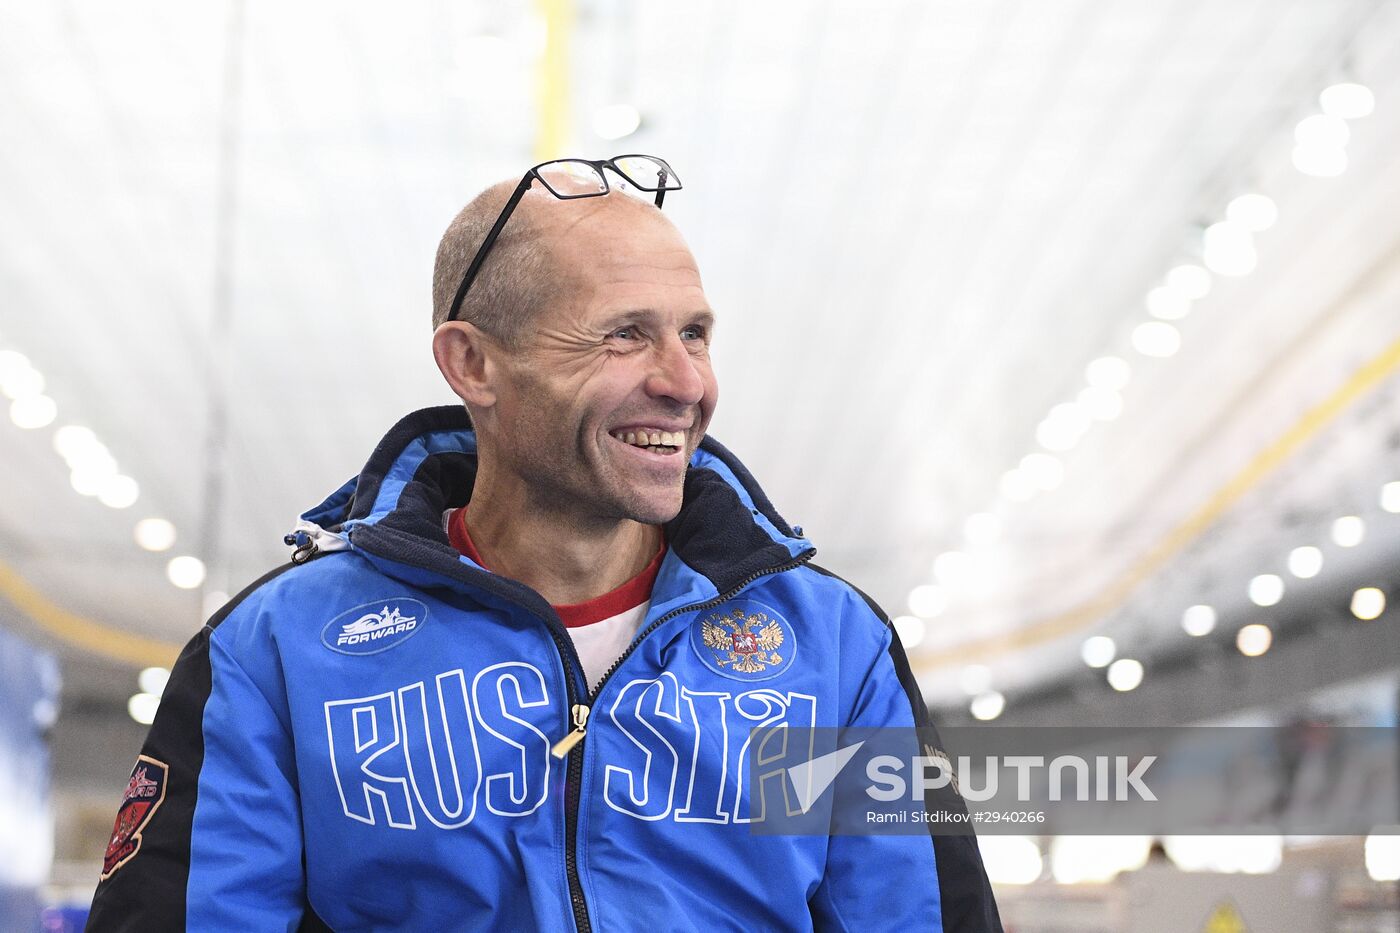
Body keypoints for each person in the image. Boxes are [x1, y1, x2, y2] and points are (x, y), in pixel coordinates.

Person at [86, 155, 1002, 931]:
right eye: (624, 336)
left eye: (695, 333)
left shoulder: (828, 650)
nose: (685, 383)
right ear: (473, 363)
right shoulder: (280, 653)